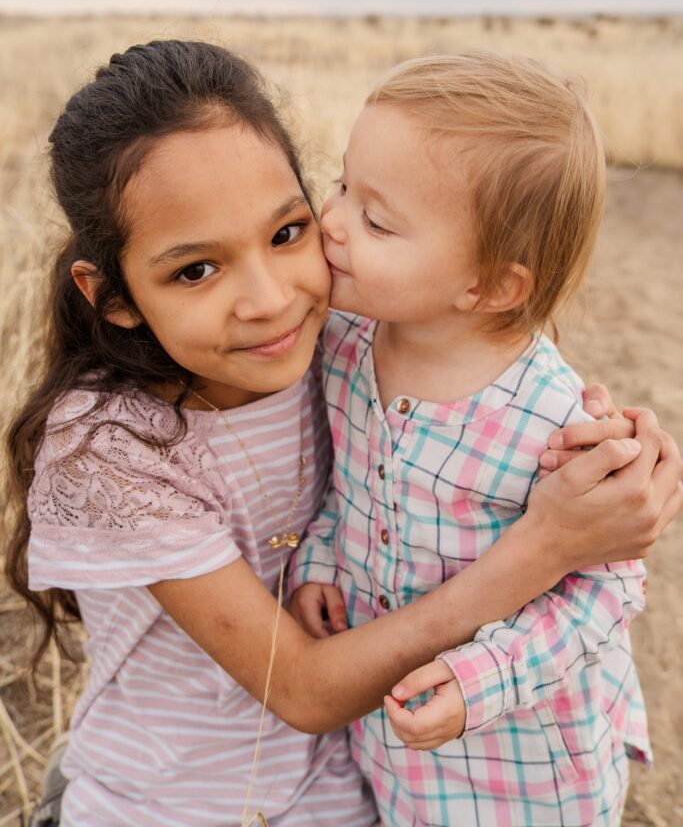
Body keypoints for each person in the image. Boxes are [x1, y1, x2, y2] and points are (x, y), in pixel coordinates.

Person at [4, 41, 679, 827]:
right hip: (170, 806)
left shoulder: (346, 345)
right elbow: (303, 686)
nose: (269, 300)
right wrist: (550, 544)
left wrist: (624, 468)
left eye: (287, 231)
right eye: (195, 270)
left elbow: (478, 372)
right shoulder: (113, 447)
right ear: (112, 295)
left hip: (379, 792)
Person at [287, 51, 679, 827]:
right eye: (341, 185)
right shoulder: (346, 345)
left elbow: (608, 587)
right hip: (395, 751)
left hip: (522, 770)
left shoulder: (553, 422)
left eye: (375, 220)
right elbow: (353, 485)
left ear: (492, 286)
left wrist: (482, 678)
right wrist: (326, 558)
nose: (329, 221)